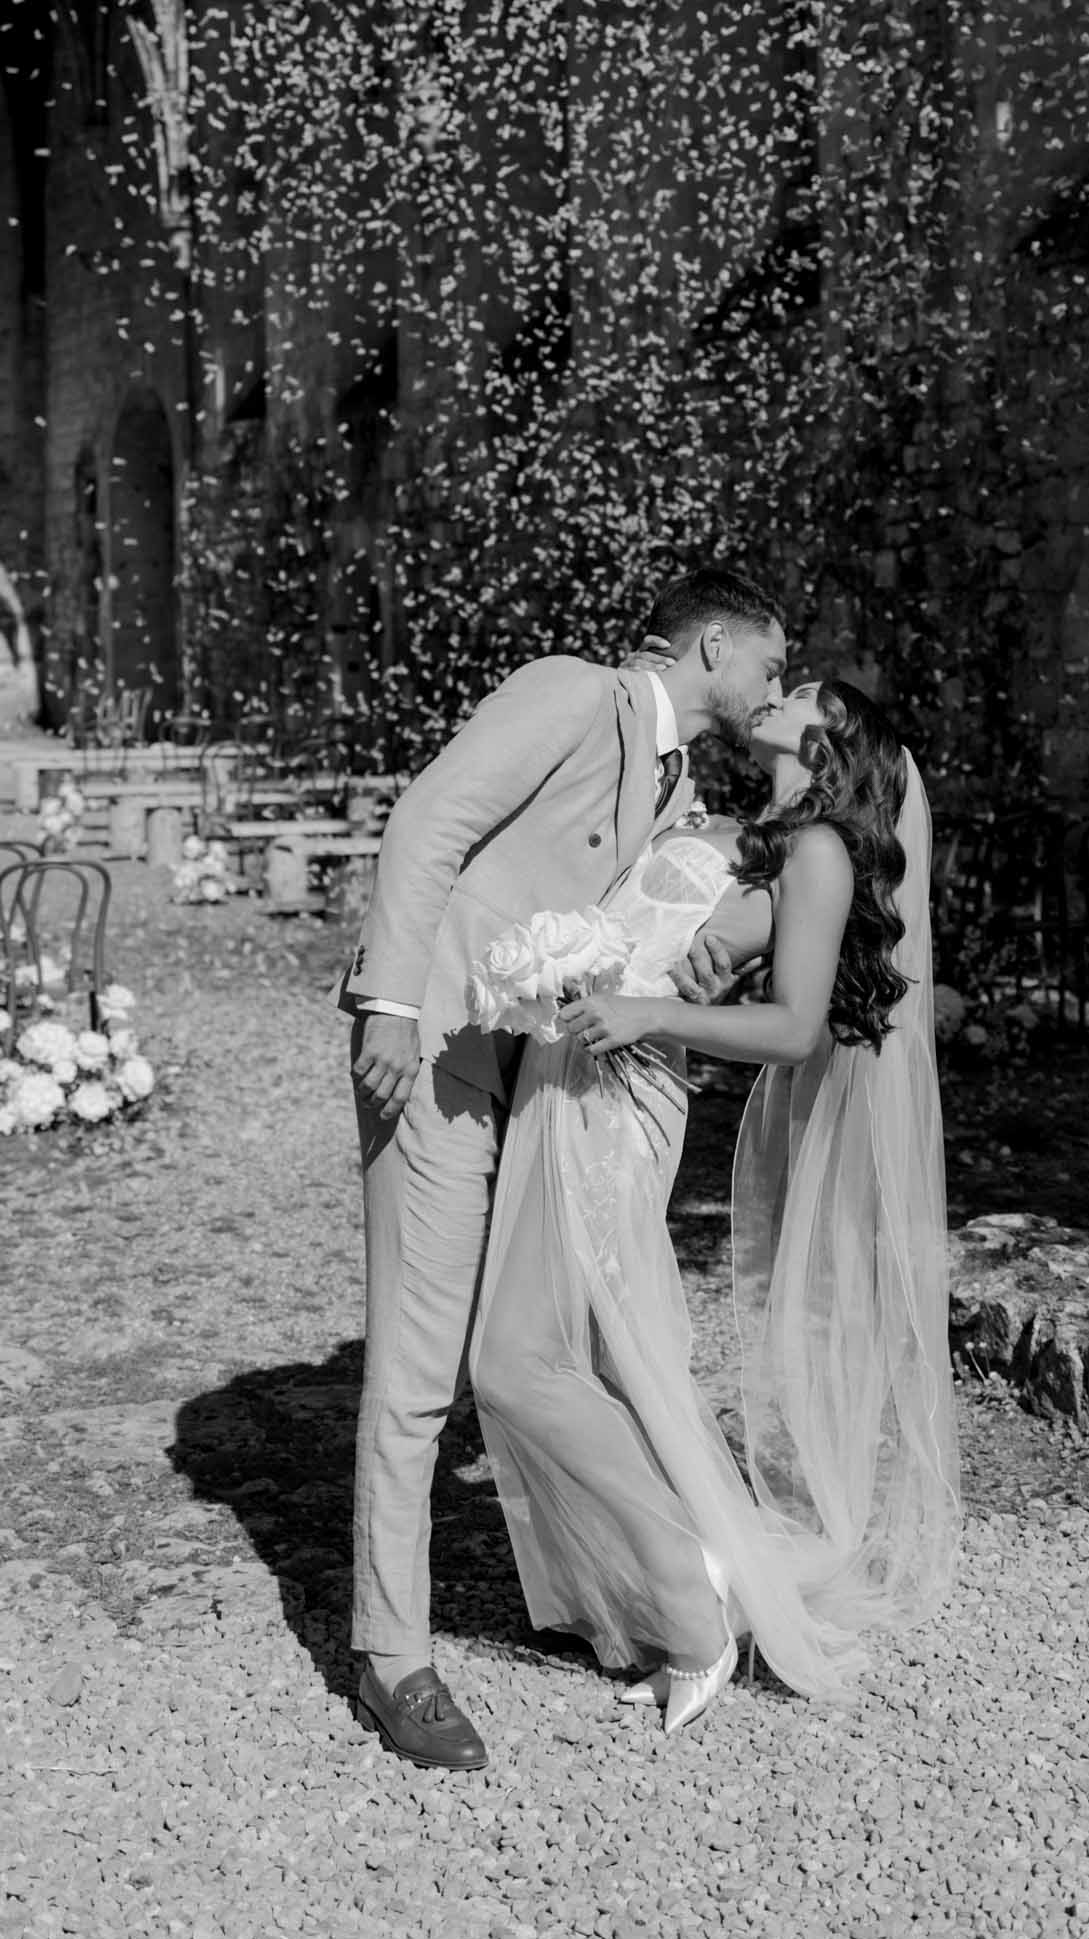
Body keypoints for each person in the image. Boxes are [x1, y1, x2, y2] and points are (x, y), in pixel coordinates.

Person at [338, 566, 788, 1767]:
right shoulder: (573, 694)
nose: (776, 685)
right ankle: (394, 1653)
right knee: (422, 1362)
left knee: (546, 1350)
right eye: (769, 661)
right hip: (432, 1046)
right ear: (709, 647)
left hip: (546, 1090)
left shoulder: (681, 782)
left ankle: (640, 1594)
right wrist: (385, 1000)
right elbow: (430, 820)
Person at [468, 676, 961, 1734]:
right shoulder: (773, 838)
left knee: (516, 1361)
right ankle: (687, 1573)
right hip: (588, 1076)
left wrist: (652, 1006)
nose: (782, 688)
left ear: (832, 736)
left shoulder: (824, 847)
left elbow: (795, 1027)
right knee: (585, 1357)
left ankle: (692, 1605)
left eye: (804, 689)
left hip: (620, 1092)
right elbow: (724, 963)